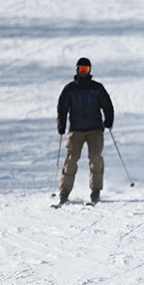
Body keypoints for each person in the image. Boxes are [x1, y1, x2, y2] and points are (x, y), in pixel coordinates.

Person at [56, 57, 114, 205]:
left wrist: (108, 121)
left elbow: (107, 104)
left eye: (86, 69)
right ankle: (64, 191)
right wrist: (61, 125)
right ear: (77, 69)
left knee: (95, 159)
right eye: (81, 69)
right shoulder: (70, 89)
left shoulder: (96, 87)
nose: (83, 72)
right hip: (76, 130)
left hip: (95, 129)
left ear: (89, 71)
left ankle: (95, 191)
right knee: (71, 159)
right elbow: (62, 107)